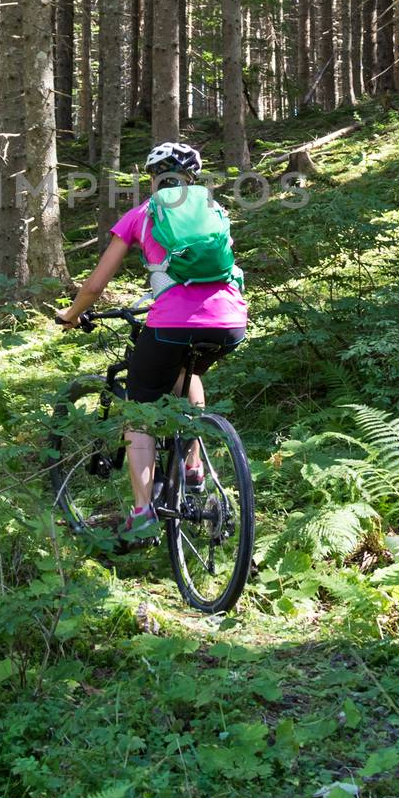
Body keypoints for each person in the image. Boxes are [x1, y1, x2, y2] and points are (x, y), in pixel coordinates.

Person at [56, 141, 248, 543]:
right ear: (193, 178)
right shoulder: (215, 210)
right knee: (188, 371)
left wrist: (71, 316)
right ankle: (193, 468)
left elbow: (95, 284)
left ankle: (143, 512)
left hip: (171, 323)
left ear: (152, 178)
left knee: (139, 410)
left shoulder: (142, 215)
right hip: (230, 321)